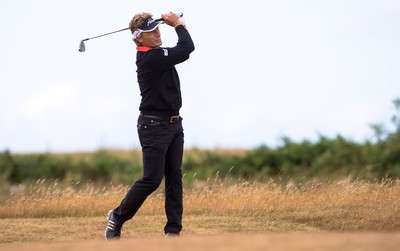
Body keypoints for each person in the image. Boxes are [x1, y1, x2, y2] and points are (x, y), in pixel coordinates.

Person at [105, 11, 195, 240]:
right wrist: (178, 24)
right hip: (154, 126)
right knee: (152, 179)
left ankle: (173, 232)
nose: (156, 34)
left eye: (157, 29)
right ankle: (117, 216)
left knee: (174, 177)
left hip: (174, 124)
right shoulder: (151, 58)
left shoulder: (157, 54)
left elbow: (181, 49)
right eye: (150, 32)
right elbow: (186, 48)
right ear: (138, 38)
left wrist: (171, 24)